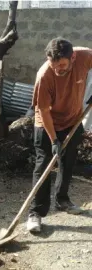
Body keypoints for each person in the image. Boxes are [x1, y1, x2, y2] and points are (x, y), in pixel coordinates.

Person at [27, 37, 92, 232]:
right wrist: (54, 139)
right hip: (47, 123)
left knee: (68, 162)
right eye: (53, 65)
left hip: (72, 120)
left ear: (72, 57)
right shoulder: (44, 75)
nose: (57, 70)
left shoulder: (85, 56)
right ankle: (35, 213)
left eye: (62, 65)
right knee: (43, 164)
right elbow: (44, 111)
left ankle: (62, 200)